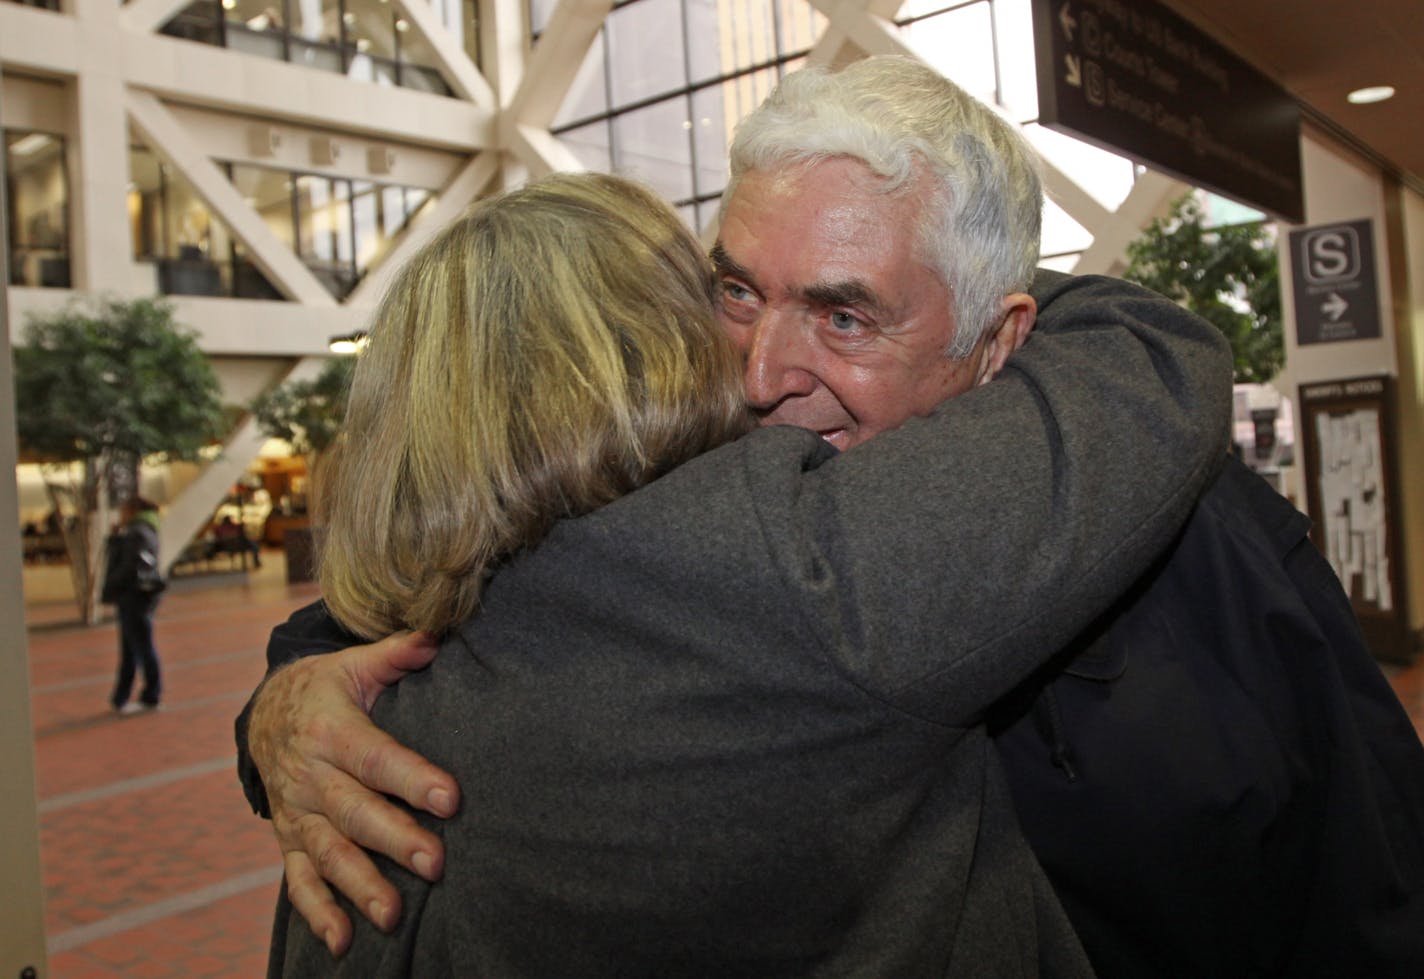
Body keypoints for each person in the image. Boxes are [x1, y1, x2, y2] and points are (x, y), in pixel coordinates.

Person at [243, 58, 1424, 974]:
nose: (761, 372)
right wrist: (288, 694)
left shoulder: (1198, 539)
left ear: (1000, 338)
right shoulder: (685, 488)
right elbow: (474, 581)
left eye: (845, 317)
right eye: (735, 291)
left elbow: (1371, 895)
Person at [101, 496, 165, 712]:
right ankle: (121, 697)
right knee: (131, 649)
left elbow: (131, 565)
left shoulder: (138, 532)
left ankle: (150, 694)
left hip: (133, 597)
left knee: (141, 647)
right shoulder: (143, 529)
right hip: (135, 597)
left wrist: (112, 585)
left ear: (132, 510)